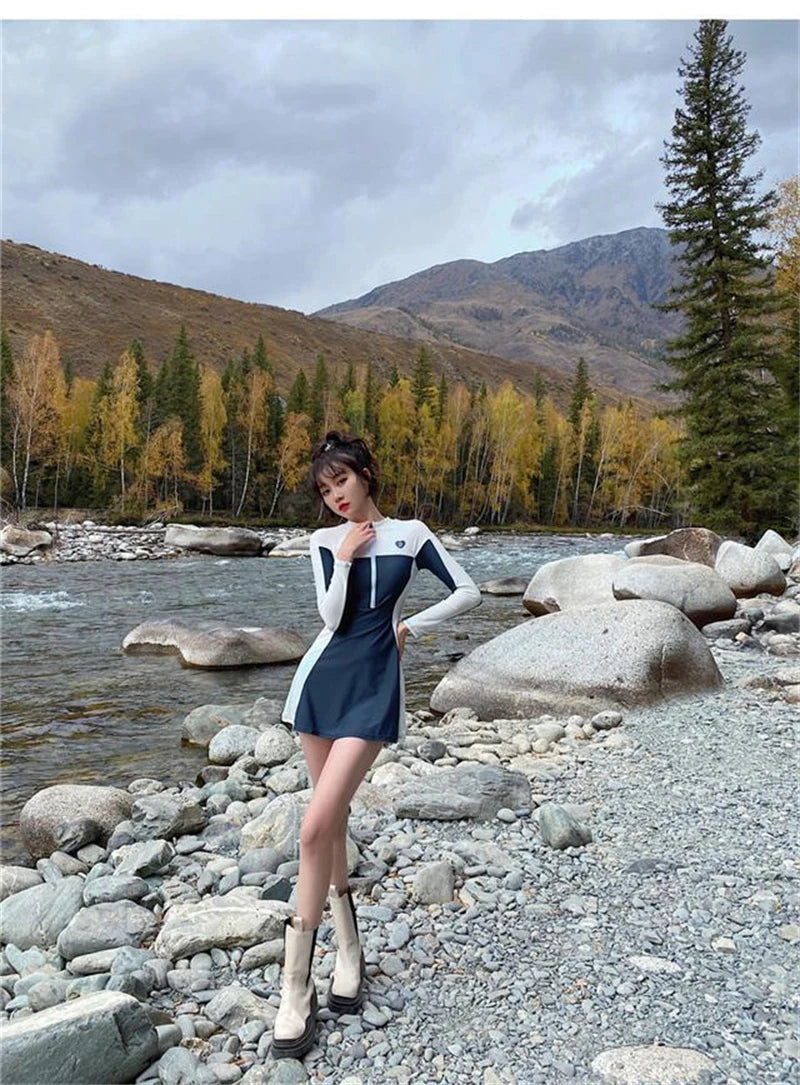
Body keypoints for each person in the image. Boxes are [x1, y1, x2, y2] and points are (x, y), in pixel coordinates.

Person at [270, 430, 482, 1060]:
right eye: (325, 489)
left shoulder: (412, 534)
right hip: (319, 681)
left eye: (342, 481)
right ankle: (348, 953)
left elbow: (466, 591)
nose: (335, 495)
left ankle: (293, 989)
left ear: (366, 473)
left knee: (312, 830)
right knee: (328, 823)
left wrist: (409, 625)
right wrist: (345, 555)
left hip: (373, 688)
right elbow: (330, 620)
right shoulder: (322, 542)